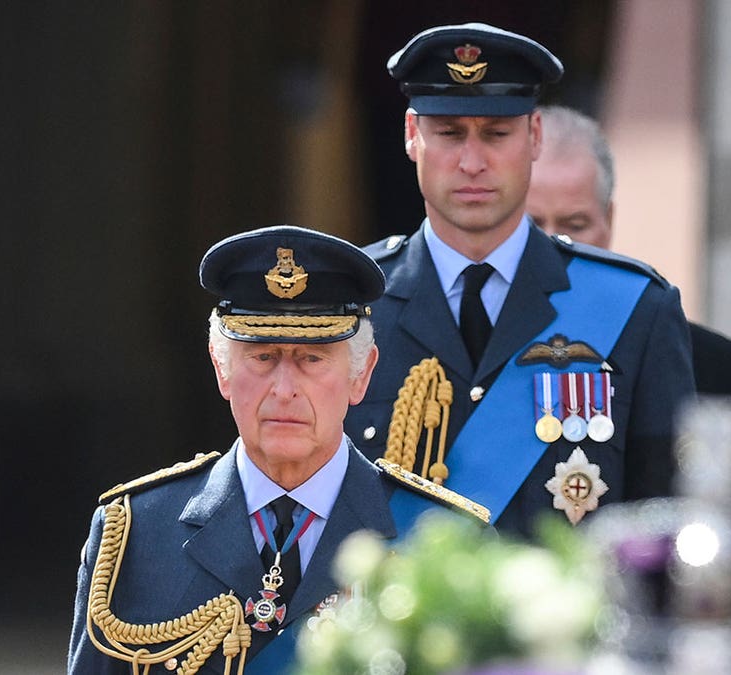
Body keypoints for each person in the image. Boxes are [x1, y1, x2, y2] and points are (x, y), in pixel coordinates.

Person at [68, 226, 486, 675]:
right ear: (221, 369)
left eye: (313, 359)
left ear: (362, 374)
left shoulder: (443, 536)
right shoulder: (135, 534)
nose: (284, 390)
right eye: (262, 357)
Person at [344, 23, 696, 539]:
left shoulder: (635, 308)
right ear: (411, 135)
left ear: (533, 136)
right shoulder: (348, 308)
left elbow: (666, 520)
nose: (472, 161)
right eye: (449, 133)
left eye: (495, 133)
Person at [526, 104, 731, 501]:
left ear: (609, 220)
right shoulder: (466, 342)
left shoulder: (706, 360)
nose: (557, 245)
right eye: (533, 226)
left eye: (575, 225)